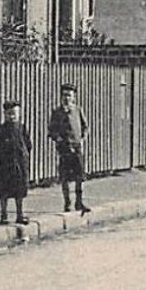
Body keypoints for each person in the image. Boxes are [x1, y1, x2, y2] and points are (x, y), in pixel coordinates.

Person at [48, 83, 90, 214]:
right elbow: (51, 130)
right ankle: (67, 202)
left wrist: (82, 139)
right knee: (65, 177)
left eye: (69, 95)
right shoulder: (57, 112)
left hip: (77, 147)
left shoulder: (78, 110)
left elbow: (85, 127)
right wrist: (58, 139)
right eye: (64, 95)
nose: (66, 98)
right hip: (64, 148)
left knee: (80, 176)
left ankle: (79, 201)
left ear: (74, 97)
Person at [0, 101, 32, 226]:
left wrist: (24, 156)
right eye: (9, 114)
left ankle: (20, 214)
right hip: (5, 164)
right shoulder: (1, 129)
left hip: (19, 163)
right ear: (5, 114)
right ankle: (4, 215)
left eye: (14, 113)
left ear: (19, 114)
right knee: (4, 190)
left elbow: (28, 144)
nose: (11, 116)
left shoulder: (21, 127)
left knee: (20, 189)